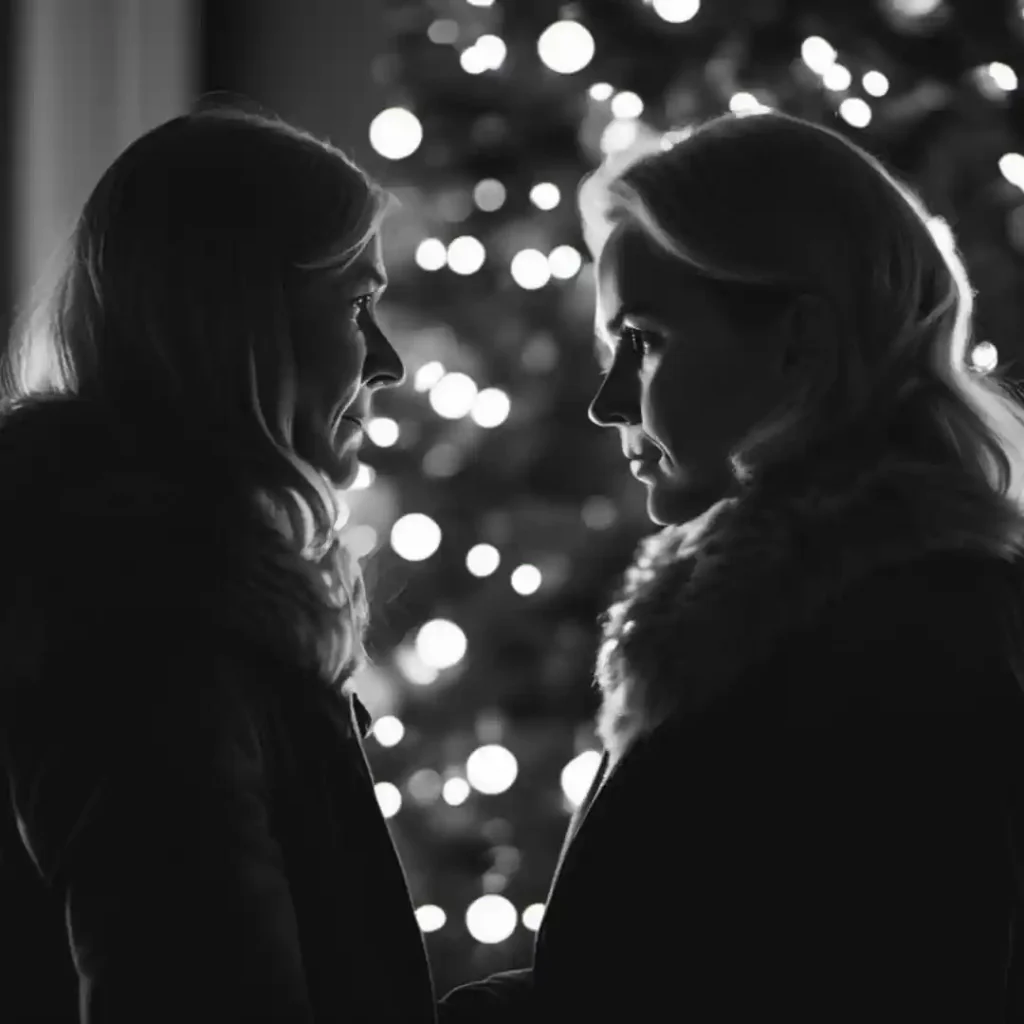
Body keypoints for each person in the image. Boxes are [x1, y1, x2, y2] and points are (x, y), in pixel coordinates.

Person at [440, 111, 1024, 1022]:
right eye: (609, 349)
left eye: (645, 340)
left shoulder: (913, 639)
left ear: (800, 343)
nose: (606, 402)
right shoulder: (755, 614)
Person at [0, 104, 436, 1022]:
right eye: (358, 304)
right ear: (237, 320)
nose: (387, 361)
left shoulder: (160, 584)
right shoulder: (149, 630)